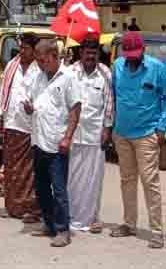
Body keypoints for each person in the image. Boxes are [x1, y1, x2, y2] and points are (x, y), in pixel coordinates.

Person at [110, 31, 166, 249]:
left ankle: (157, 231)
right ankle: (129, 223)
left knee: (150, 182)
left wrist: (161, 128)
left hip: (146, 135)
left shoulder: (157, 69)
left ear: (143, 50)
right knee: (127, 180)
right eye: (129, 54)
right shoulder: (117, 67)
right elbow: (113, 95)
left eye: (136, 54)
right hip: (122, 133)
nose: (132, 58)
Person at [25, 39, 82, 247]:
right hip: (38, 140)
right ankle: (48, 224)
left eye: (43, 60)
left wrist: (67, 137)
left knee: (59, 189)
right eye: (38, 61)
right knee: (41, 188)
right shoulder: (39, 77)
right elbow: (34, 103)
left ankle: (62, 230)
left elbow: (75, 110)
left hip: (58, 143)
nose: (40, 64)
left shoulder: (68, 78)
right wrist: (29, 108)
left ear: (54, 56)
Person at [68, 35, 112, 234]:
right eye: (87, 53)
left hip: (95, 135)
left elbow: (110, 104)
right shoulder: (69, 72)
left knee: (93, 180)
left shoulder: (105, 74)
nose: (90, 57)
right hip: (73, 135)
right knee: (72, 178)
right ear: (80, 53)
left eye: (94, 53)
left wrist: (107, 129)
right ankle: (69, 216)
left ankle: (90, 219)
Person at [0, 33, 42, 223]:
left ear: (34, 50)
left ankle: (30, 208)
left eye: (26, 48)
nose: (22, 51)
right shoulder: (11, 66)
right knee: (12, 167)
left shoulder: (40, 69)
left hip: (32, 125)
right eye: (20, 47)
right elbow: (3, 92)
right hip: (12, 122)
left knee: (30, 171)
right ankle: (12, 206)